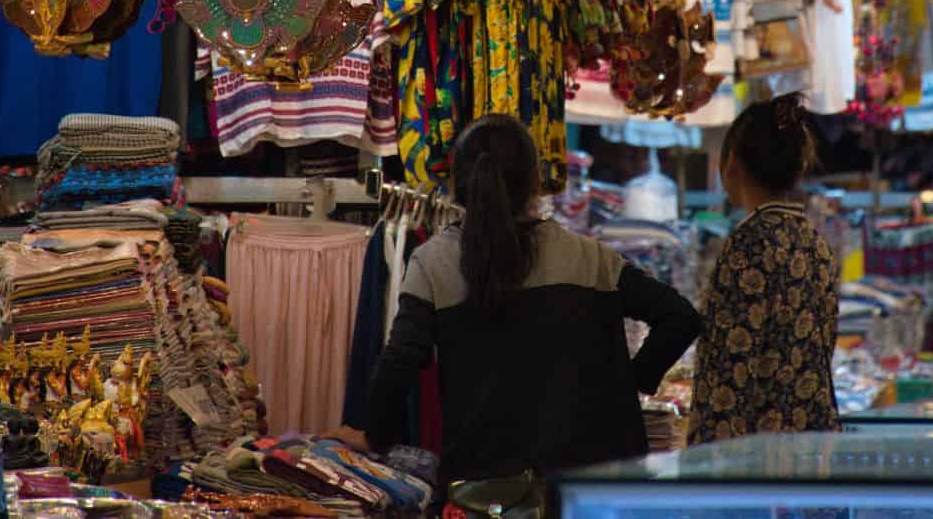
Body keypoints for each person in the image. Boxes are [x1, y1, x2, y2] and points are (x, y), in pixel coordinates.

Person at [326, 114, 701, 485]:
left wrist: (374, 435)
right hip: (592, 485)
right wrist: (632, 381)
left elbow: (399, 363)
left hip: (487, 485)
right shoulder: (590, 259)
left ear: (457, 184)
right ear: (536, 182)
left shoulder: (433, 262)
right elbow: (680, 318)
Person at [687, 94, 838, 444]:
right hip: (813, 446)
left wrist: (705, 464)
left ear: (732, 163)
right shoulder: (814, 242)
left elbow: (727, 374)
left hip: (758, 460)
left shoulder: (748, 244)